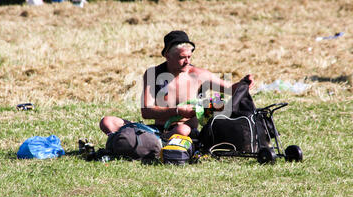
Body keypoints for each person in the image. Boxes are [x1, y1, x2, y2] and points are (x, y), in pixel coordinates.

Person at [99, 30, 254, 139]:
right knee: (107, 122)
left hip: (185, 131)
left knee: (182, 129)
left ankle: (145, 141)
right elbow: (146, 112)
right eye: (182, 57)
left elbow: (229, 89)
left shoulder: (199, 75)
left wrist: (243, 83)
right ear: (167, 55)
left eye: (189, 56)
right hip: (156, 130)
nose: (187, 61)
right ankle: (143, 140)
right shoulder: (153, 74)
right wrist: (177, 110)